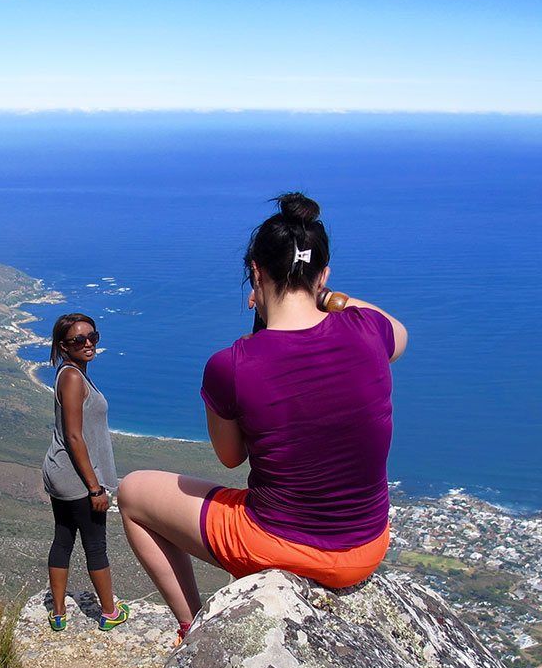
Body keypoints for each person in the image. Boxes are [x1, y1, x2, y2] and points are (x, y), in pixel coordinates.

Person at [117, 192, 406, 642]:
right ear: (324, 274)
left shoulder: (231, 365)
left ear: (255, 271)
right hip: (368, 547)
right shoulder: (368, 332)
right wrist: (330, 299)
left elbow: (231, 457)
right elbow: (401, 335)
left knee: (133, 493)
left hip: (279, 543)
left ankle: (196, 631)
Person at [42, 312, 130, 632]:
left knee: (63, 537)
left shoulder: (72, 373)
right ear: (64, 347)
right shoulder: (73, 377)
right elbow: (75, 436)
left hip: (61, 472)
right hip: (76, 475)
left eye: (93, 336)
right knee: (95, 543)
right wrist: (95, 488)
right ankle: (109, 613)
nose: (88, 343)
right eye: (79, 340)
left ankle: (59, 612)